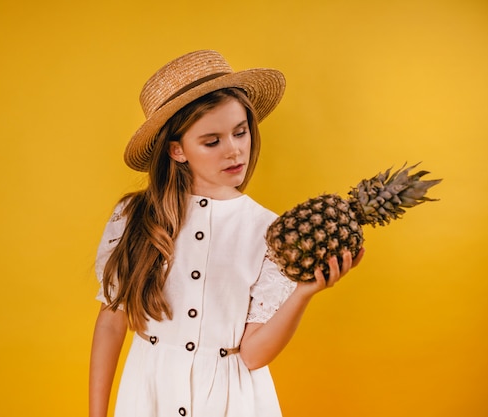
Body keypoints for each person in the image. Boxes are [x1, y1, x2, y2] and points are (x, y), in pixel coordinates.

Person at [89, 50, 364, 417]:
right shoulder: (135, 216)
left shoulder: (270, 232)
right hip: (148, 395)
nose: (235, 151)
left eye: (240, 131)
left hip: (232, 402)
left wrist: (304, 293)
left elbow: (253, 354)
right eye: (212, 141)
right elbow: (111, 321)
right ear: (177, 150)